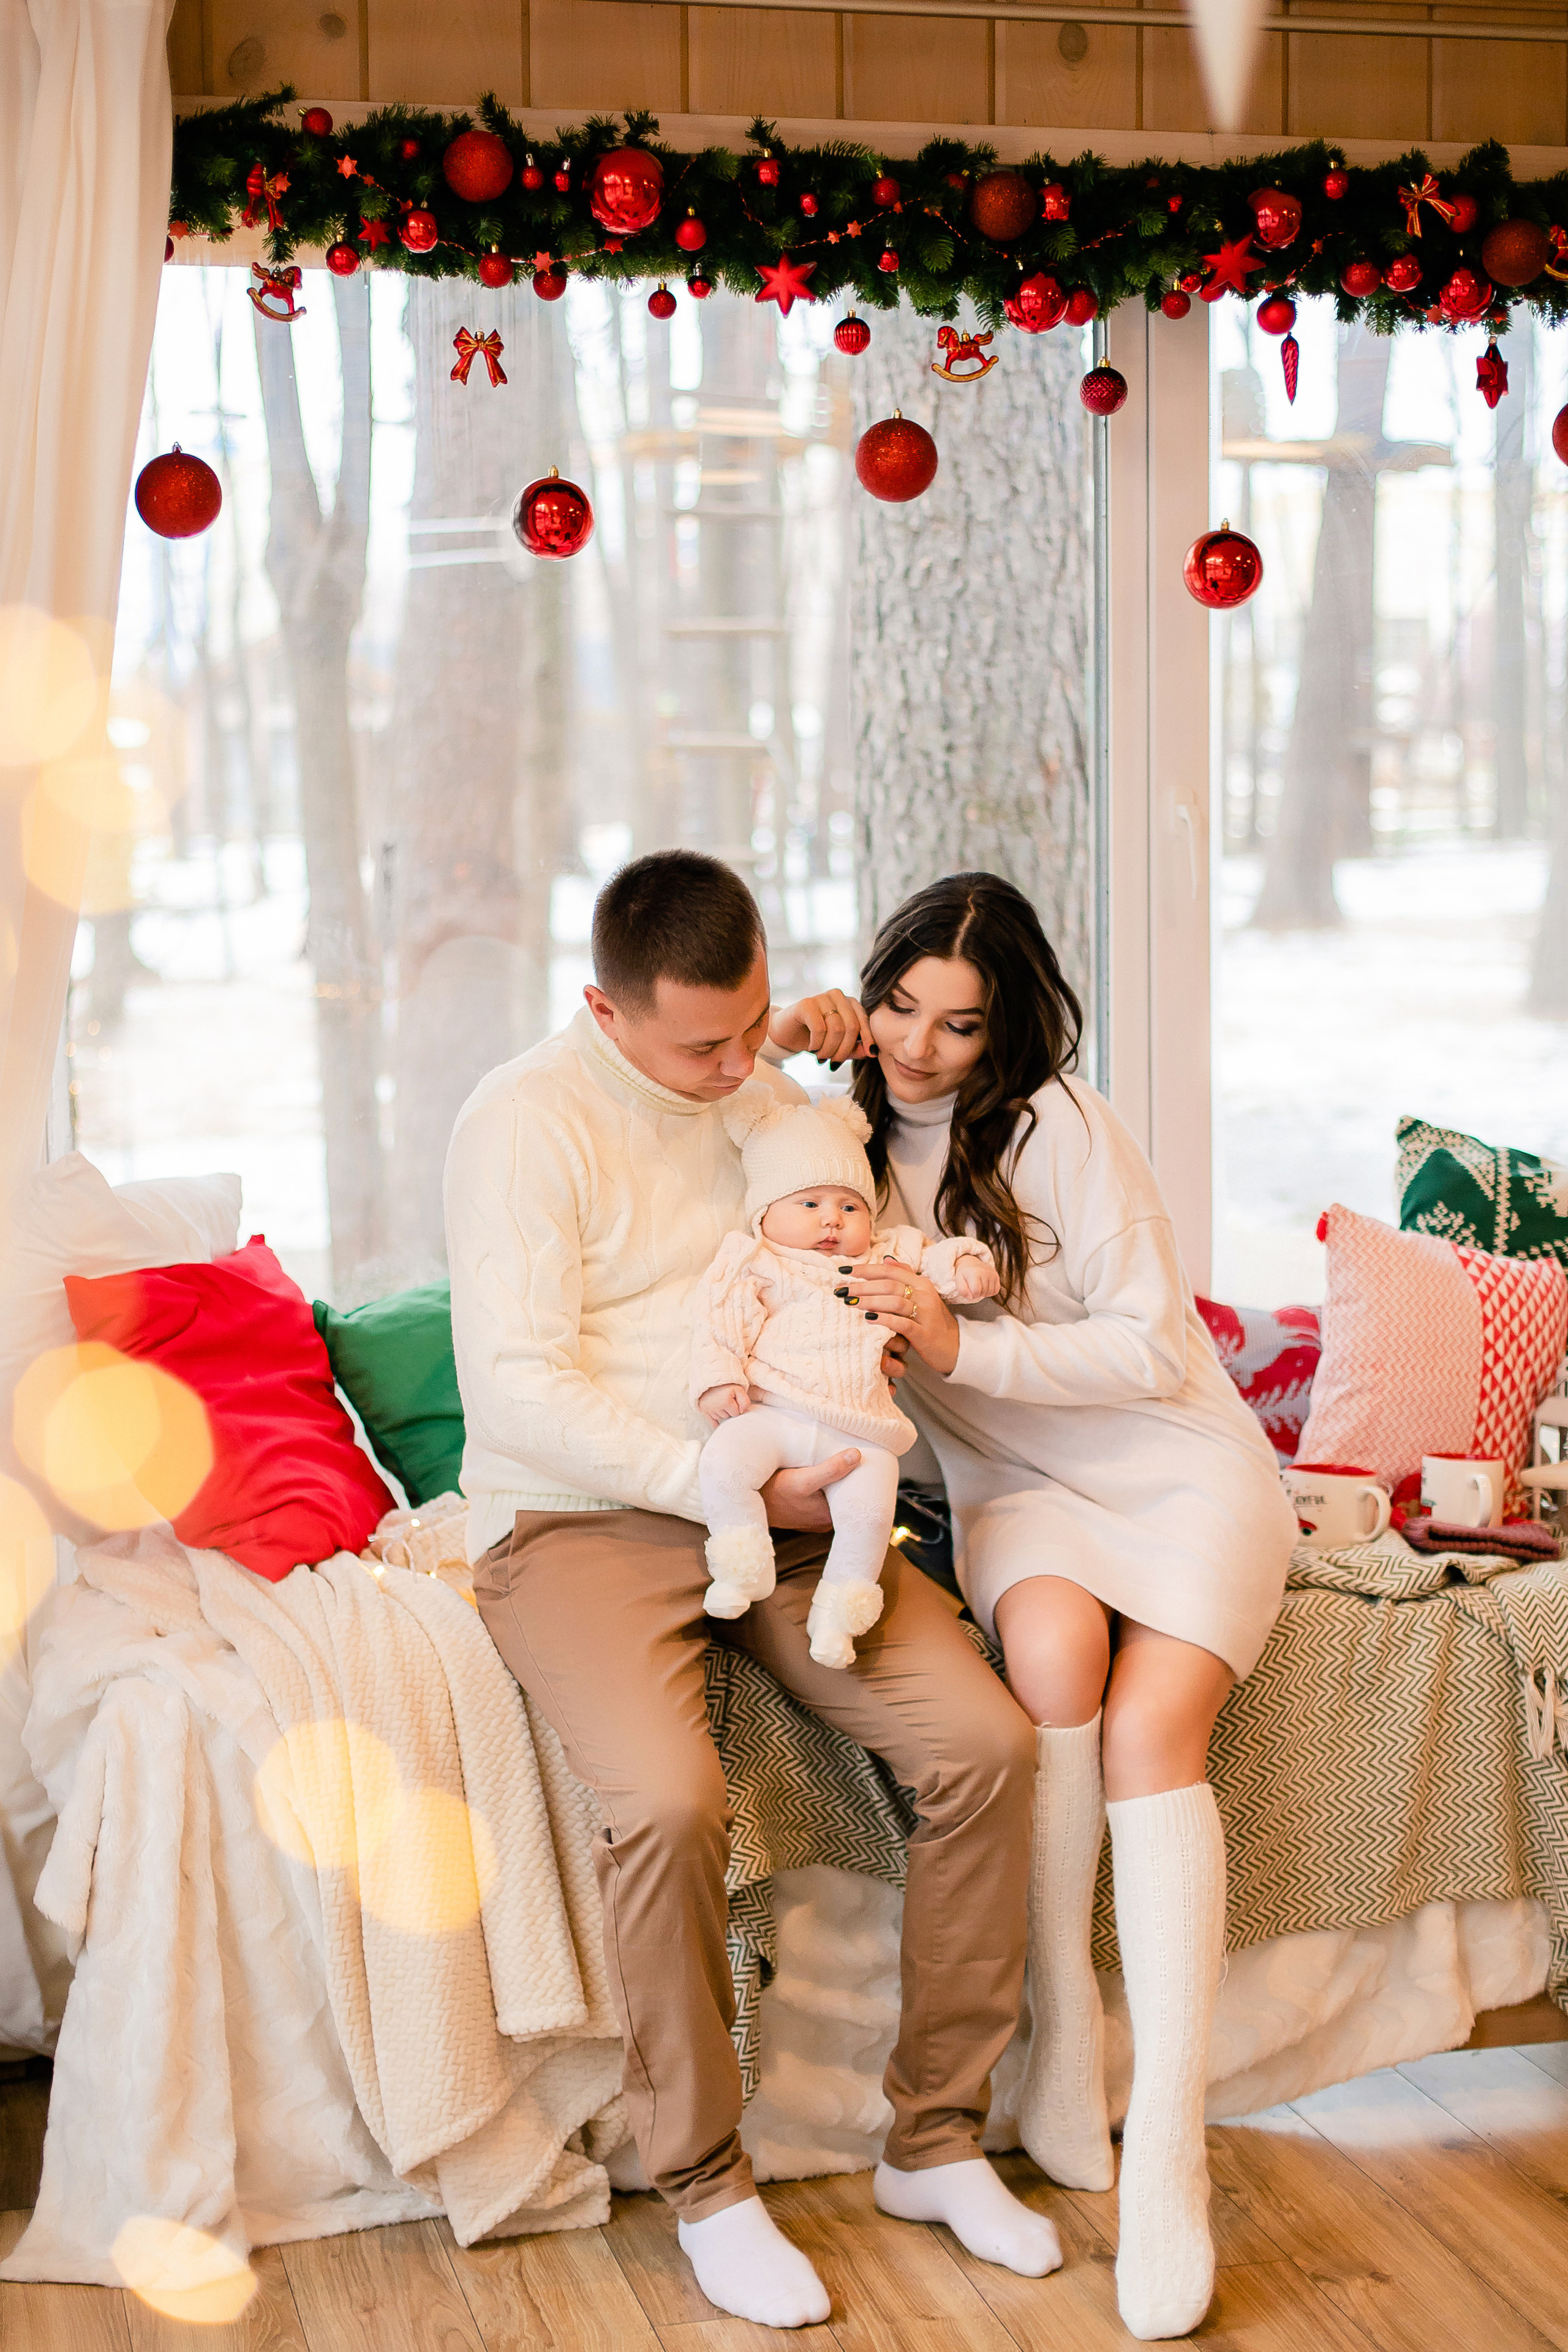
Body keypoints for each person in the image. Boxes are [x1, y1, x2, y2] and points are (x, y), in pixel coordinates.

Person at [443, 850, 1055, 2332]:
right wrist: (713, 1470)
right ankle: (709, 2182)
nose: (733, 1066)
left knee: (985, 1743)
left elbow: (856, 1235)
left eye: (754, 1021)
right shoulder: (523, 1120)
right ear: (602, 1006)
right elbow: (517, 1384)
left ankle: (931, 2137)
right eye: (699, 1045)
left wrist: (812, 1064)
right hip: (588, 1512)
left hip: (802, 1501)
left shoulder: (776, 1098)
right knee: (662, 1795)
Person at [778, 872, 1296, 2343]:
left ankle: (1169, 2158)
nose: (918, 1048)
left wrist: (963, 1343)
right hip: (1013, 1482)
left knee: (1146, 1731)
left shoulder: (1059, 1123)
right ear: (865, 992)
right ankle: (1062, 2041)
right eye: (893, 1006)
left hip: (1171, 1460)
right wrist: (787, 1039)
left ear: (1005, 1028)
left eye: (957, 1023)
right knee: (1052, 1656)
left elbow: (1145, 1346)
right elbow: (720, 1157)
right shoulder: (833, 1126)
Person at [691, 1082, 998, 1665]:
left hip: (861, 1431)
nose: (832, 1219)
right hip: (774, 1413)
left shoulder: (886, 1253)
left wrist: (964, 1264)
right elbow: (719, 1321)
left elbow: (935, 1259)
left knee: (868, 1517)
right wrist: (718, 1378)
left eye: (849, 1206)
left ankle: (840, 1616)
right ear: (766, 1213)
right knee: (725, 1463)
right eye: (810, 1205)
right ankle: (740, 1565)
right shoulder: (756, 1260)